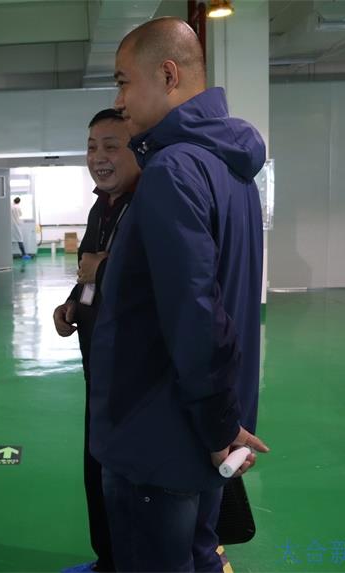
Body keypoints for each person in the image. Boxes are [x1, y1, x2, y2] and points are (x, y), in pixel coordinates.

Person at [89, 17, 270, 572]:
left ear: (168, 75)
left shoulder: (173, 168)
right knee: (199, 551)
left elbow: (196, 314)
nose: (119, 101)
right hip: (204, 423)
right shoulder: (230, 167)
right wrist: (223, 421)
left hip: (158, 433)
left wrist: (217, 427)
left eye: (124, 82)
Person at [53, 108, 139, 573]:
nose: (98, 157)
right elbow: (87, 271)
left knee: (126, 477)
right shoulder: (101, 207)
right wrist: (72, 304)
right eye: (91, 147)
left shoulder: (147, 206)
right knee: (96, 466)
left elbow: (157, 279)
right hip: (98, 366)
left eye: (111, 145)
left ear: (137, 149)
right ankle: (107, 560)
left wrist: (103, 267)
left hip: (132, 373)